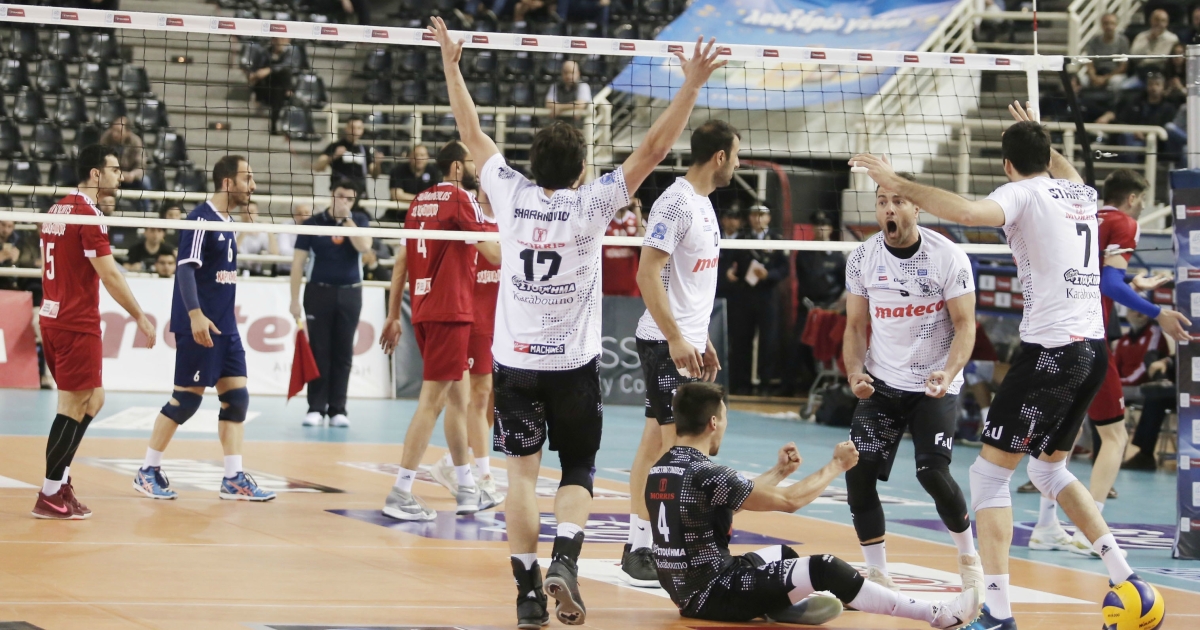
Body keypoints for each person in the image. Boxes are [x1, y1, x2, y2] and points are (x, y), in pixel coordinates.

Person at [430, 16, 725, 626]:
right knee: (578, 470)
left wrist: (452, 66)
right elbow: (653, 150)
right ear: (581, 170)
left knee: (520, 477)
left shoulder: (509, 194)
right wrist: (692, 85)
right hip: (572, 366)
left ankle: (526, 593)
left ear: (532, 164)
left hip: (514, 363)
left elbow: (470, 131)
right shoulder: (592, 204)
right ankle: (565, 560)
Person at [850, 101, 1169, 630]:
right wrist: (1041, 140)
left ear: (1006, 165)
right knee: (1048, 469)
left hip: (1050, 353)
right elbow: (1063, 170)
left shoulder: (1020, 193)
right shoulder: (1081, 194)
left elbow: (967, 214)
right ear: (1049, 156)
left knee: (988, 477)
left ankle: (997, 613)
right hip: (1092, 350)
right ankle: (1127, 577)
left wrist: (896, 182)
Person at [647, 382, 982, 627]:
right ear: (713, 423)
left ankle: (775, 606)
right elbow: (790, 501)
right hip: (715, 592)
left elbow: (723, 504)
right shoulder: (708, 473)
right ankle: (936, 615)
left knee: (783, 555)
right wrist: (836, 465)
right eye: (724, 418)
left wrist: (779, 472)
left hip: (687, 589)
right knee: (824, 567)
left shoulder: (663, 468)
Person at [1029, 169, 1187, 555]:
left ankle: (1046, 526)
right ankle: (1090, 531)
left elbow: (1092, 273)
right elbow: (1107, 284)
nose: (1142, 206)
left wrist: (1131, 282)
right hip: (1090, 339)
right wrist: (1158, 313)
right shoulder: (1124, 223)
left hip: (1055, 335)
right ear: (1132, 198)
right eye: (1142, 199)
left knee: (1062, 433)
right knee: (1115, 437)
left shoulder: (1083, 217)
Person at [842, 171, 983, 593]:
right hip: (882, 382)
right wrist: (855, 372)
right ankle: (877, 573)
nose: (889, 209)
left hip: (932, 382)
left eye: (899, 201)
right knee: (858, 472)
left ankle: (968, 557)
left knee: (932, 473)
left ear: (916, 207)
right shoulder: (863, 258)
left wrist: (949, 372)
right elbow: (855, 327)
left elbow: (966, 325)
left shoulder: (947, 256)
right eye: (882, 201)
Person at [622, 120, 738, 588]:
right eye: (736, 156)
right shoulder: (676, 202)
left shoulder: (703, 203)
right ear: (720, 157)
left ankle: (641, 544)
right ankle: (652, 547)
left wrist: (698, 335)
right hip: (663, 342)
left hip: (686, 341)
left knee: (657, 443)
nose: (737, 164)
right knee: (676, 451)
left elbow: (690, 282)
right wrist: (674, 337)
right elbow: (647, 274)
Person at [131, 155, 275, 502]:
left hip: (226, 327)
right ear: (227, 182)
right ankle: (147, 471)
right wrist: (195, 315)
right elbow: (184, 269)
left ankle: (233, 478)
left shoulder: (228, 222)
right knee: (185, 401)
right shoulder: (200, 219)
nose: (253, 186)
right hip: (200, 326)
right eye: (247, 178)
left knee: (236, 399)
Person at [378, 140, 503, 518]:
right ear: (456, 167)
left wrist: (393, 315)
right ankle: (400, 492)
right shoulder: (461, 199)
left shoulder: (418, 202)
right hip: (451, 310)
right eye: (471, 161)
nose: (477, 168)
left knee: (459, 402)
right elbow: (495, 255)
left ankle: (466, 487)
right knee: (432, 403)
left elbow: (402, 261)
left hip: (423, 310)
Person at [33, 145, 157, 519]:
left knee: (93, 400)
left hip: (53, 317)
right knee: (71, 406)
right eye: (115, 170)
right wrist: (140, 316)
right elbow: (110, 274)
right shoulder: (89, 214)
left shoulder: (57, 209)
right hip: (75, 323)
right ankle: (49, 494)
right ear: (95, 173)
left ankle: (61, 479)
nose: (121, 176)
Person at [427, 190, 504, 502]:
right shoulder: (468, 218)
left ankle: (450, 462)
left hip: (503, 321)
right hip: (473, 318)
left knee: (492, 401)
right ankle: (484, 475)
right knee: (478, 395)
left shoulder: (511, 219)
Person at [289, 182, 372, 428]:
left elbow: (365, 247)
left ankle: (338, 409)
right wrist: (294, 300)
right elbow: (298, 263)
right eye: (340, 196)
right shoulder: (312, 223)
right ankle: (316, 407)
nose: (344, 201)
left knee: (343, 352)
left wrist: (347, 221)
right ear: (331, 195)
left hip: (350, 293)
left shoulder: (359, 220)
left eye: (349, 198)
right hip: (318, 292)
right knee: (319, 351)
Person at [728, 204, 789, 395]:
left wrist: (769, 275)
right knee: (741, 339)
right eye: (754, 214)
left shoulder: (777, 239)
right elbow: (731, 261)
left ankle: (765, 384)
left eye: (762, 215)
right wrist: (730, 271)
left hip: (768, 296)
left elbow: (784, 268)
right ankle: (742, 384)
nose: (758, 218)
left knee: (768, 341)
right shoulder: (742, 238)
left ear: (768, 218)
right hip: (744, 295)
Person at [1122, 310, 1175, 470]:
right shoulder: (1124, 339)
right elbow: (1186, 356)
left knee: (1157, 393)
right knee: (1155, 396)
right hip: (1182, 385)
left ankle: (1165, 386)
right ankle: (1145, 455)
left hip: (1189, 390)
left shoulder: (1153, 334)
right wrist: (1166, 361)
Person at [314, 115, 382, 191]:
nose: (355, 131)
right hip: (340, 191)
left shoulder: (365, 149)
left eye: (358, 128)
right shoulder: (335, 146)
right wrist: (334, 156)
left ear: (362, 130)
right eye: (352, 128)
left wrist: (377, 164)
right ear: (346, 128)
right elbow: (318, 167)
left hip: (359, 191)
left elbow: (374, 175)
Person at [246, 38, 299, 135]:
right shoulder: (265, 51)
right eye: (276, 39)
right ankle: (259, 97)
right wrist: (256, 74)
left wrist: (269, 70)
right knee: (276, 86)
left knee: (281, 81)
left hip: (280, 87)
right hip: (266, 85)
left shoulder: (291, 52)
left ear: (287, 40)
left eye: (282, 39)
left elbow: (288, 66)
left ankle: (274, 123)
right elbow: (257, 69)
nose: (279, 41)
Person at [98, 116, 149, 210]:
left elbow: (141, 166)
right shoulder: (106, 138)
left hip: (130, 178)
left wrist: (132, 175)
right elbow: (100, 161)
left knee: (145, 181)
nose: (114, 134)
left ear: (128, 132)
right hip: (111, 176)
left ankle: (146, 211)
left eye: (118, 131)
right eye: (113, 130)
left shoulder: (136, 141)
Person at [602, 198, 642, 297]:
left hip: (631, 285)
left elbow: (646, 245)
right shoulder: (604, 220)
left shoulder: (636, 220)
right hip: (606, 285)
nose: (625, 198)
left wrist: (637, 211)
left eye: (629, 196)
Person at [1083, 13, 1130, 90]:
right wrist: (1094, 77)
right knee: (1082, 80)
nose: (1109, 26)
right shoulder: (1094, 41)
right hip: (1097, 72)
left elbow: (1123, 66)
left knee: (1116, 81)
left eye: (1112, 23)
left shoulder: (1123, 41)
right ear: (1101, 25)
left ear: (1116, 25)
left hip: (1114, 74)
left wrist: (1105, 78)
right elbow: (1089, 62)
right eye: (1106, 23)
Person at [388, 144, 442, 209]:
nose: (418, 158)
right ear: (409, 156)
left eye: (422, 155)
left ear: (428, 157)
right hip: (399, 212)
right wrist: (424, 199)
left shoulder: (434, 172)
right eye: (415, 155)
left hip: (425, 211)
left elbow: (437, 196)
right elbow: (397, 196)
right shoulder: (397, 171)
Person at [1130, 9, 1178, 76]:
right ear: (1151, 20)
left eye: (1163, 20)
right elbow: (1133, 56)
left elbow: (1165, 59)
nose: (1159, 23)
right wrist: (1148, 41)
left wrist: (1146, 61)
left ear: (1167, 23)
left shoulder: (1172, 39)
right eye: (1156, 20)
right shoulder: (1141, 36)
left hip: (1162, 73)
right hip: (1141, 72)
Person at [235, 201, 278, 276]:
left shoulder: (262, 231)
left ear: (257, 213)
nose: (248, 214)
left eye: (251, 212)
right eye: (245, 212)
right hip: (237, 271)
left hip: (257, 272)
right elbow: (232, 250)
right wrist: (244, 231)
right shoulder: (233, 228)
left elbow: (275, 253)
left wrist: (270, 233)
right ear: (240, 213)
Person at [275, 203, 313, 276]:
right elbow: (284, 251)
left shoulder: (317, 228)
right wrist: (306, 254)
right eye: (299, 213)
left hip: (309, 272)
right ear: (294, 215)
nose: (303, 217)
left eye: (306, 213)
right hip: (287, 271)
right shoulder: (286, 227)